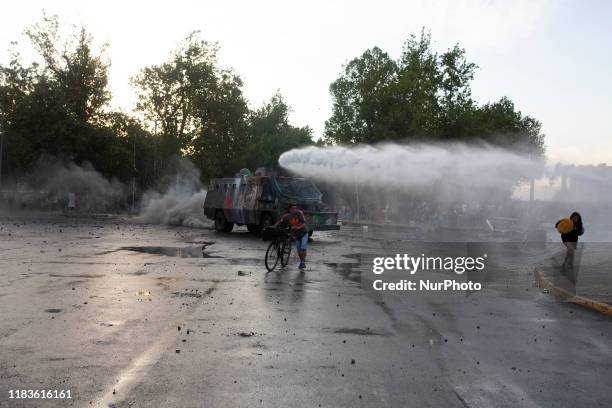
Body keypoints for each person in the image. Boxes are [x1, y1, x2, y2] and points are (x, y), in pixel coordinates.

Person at [274, 203, 308, 269]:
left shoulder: (299, 213)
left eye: (295, 208)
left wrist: (298, 227)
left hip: (303, 233)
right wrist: (274, 226)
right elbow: (280, 221)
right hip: (296, 234)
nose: (294, 210)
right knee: (299, 250)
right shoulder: (287, 216)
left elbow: (304, 223)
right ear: (289, 209)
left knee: (303, 247)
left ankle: (303, 262)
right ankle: (302, 262)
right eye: (292, 208)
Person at [555, 211, 584, 280]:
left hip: (574, 240)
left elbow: (580, 233)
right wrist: (560, 225)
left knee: (571, 253)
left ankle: (570, 267)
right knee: (570, 249)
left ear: (579, 219)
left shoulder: (579, 225)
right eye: (574, 217)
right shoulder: (567, 222)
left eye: (577, 218)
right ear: (572, 217)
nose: (575, 219)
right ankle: (563, 267)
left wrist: (577, 230)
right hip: (566, 238)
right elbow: (557, 225)